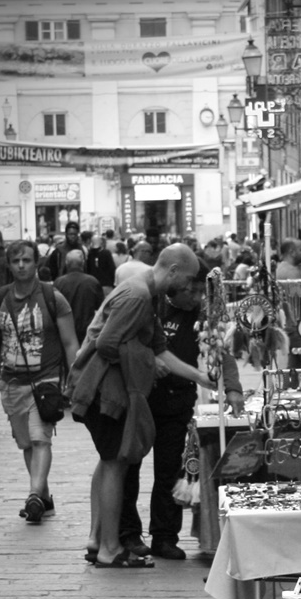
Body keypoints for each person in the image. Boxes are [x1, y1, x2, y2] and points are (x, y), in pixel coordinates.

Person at [70, 243, 217, 567]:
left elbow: (159, 348)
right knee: (115, 465)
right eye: (188, 278)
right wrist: (147, 361)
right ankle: (110, 548)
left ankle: (99, 541)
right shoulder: (138, 295)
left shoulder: (143, 293)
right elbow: (107, 343)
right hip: (106, 390)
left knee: (110, 462)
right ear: (174, 270)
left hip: (112, 390)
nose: (188, 287)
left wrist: (200, 377)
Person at [119, 253, 244, 561]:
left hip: (177, 399)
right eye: (192, 289)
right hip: (141, 399)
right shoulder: (152, 302)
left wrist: (233, 388)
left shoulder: (204, 313)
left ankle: (164, 536)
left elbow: (221, 351)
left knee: (168, 471)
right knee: (129, 468)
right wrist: (150, 363)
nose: (198, 296)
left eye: (201, 290)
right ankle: (129, 535)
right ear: (175, 285)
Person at [0, 240, 80, 523]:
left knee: (40, 439)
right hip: (11, 383)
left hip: (46, 382)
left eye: (27, 260)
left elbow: (70, 343)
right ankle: (44, 498)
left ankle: (33, 496)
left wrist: (76, 379)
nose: (21, 265)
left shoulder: (52, 297)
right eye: (16, 261)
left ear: (36, 263)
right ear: (9, 265)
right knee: (27, 445)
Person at [53, 249, 105, 346]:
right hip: (87, 332)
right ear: (83, 263)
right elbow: (101, 308)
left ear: (66, 263)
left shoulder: (58, 282)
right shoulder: (92, 282)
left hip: (64, 331)